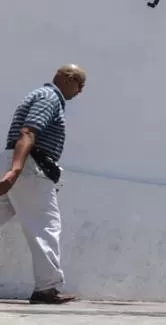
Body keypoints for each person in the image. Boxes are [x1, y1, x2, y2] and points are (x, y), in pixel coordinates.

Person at [0, 65, 86, 304]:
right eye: (81, 85)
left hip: (22, 165)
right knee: (47, 225)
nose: (80, 91)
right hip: (30, 168)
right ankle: (46, 288)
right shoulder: (50, 98)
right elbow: (28, 132)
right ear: (69, 79)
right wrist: (16, 169)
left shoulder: (40, 95)